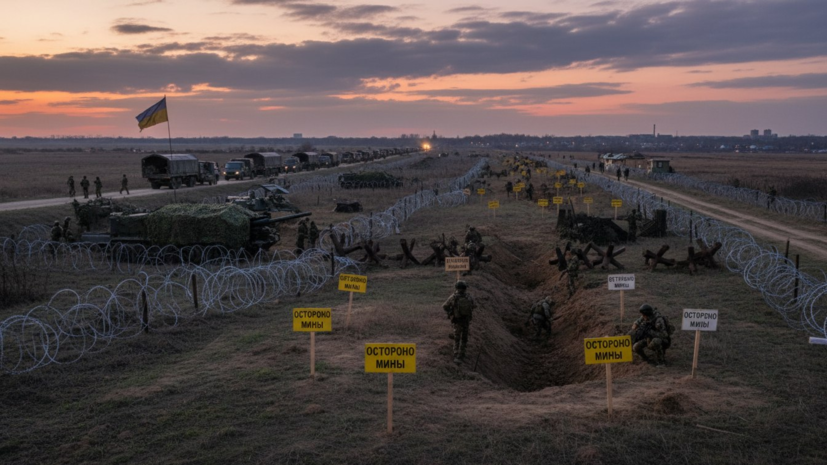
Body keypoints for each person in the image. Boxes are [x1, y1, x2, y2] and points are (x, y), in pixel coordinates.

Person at [442, 280, 477, 364]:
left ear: (456, 288)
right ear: (465, 288)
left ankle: (456, 354)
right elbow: (474, 306)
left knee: (457, 337)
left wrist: (450, 312)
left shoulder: (453, 297)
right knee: (464, 338)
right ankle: (462, 353)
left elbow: (444, 306)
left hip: (457, 320)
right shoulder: (469, 297)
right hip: (466, 320)